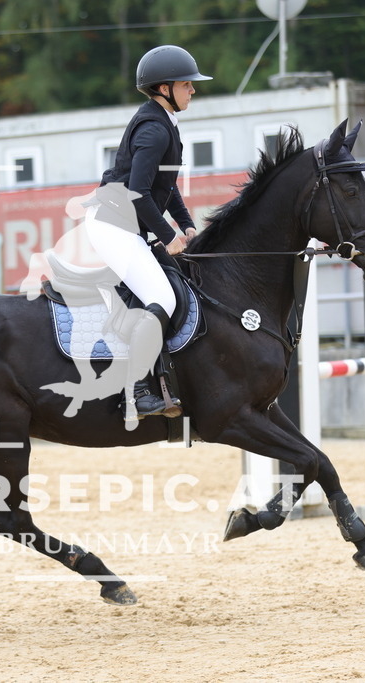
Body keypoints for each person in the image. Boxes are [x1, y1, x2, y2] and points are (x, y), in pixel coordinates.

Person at [90, 45, 211, 422]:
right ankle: (135, 393)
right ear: (164, 88)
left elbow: (166, 185)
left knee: (176, 284)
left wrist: (185, 222)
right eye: (186, 84)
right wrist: (168, 235)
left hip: (130, 226)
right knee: (162, 296)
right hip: (113, 226)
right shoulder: (155, 129)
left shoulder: (164, 124)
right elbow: (137, 192)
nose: (193, 90)